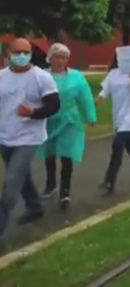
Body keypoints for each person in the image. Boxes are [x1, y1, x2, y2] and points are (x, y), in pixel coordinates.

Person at [0, 38, 60, 237]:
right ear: (9, 53)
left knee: (12, 181)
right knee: (21, 174)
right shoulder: (2, 76)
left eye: (26, 52)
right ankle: (35, 206)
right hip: (5, 136)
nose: (22, 56)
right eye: (17, 52)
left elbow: (53, 106)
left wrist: (33, 112)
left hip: (29, 137)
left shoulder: (42, 77)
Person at [39, 43, 96, 208]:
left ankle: (65, 191)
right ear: (50, 58)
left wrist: (90, 116)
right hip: (49, 120)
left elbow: (85, 97)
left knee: (67, 154)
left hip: (70, 120)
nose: (60, 61)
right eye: (57, 57)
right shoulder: (42, 76)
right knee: (49, 153)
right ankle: (51, 184)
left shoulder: (77, 77)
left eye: (64, 57)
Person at [97, 49, 130, 196]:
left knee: (118, 144)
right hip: (119, 114)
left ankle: (109, 181)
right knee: (129, 144)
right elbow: (105, 89)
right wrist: (99, 99)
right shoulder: (113, 73)